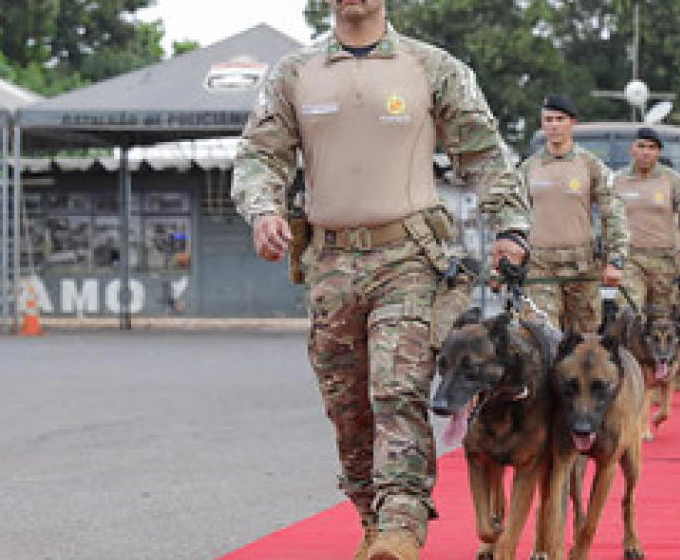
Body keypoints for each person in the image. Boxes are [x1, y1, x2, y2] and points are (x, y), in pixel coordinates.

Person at [230, 1, 531, 559]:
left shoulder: (430, 67)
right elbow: (259, 156)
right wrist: (264, 209)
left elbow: (484, 152)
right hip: (329, 262)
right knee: (347, 407)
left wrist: (511, 225)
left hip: (408, 257)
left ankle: (401, 524)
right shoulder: (295, 73)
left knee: (397, 388)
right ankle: (372, 520)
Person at [519, 93, 628, 332]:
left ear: (572, 123)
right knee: (542, 335)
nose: (554, 125)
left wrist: (616, 260)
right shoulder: (529, 168)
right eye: (549, 120)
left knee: (584, 341)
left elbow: (613, 212)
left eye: (560, 119)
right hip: (540, 266)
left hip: (582, 267)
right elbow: (514, 214)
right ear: (542, 124)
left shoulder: (590, 165)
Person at [615, 127, 680, 309]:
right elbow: (607, 219)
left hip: (664, 261)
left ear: (658, 152)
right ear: (632, 149)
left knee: (663, 321)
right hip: (630, 260)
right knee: (629, 312)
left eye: (652, 147)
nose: (646, 152)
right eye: (641, 146)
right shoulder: (616, 181)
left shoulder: (674, 181)